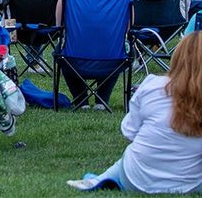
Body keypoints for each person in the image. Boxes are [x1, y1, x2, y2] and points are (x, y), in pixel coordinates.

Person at [66, 32, 202, 193]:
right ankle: (100, 179)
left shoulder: (152, 86)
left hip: (136, 179)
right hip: (189, 186)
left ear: (178, 57)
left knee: (130, 155)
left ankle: (98, 179)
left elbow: (129, 132)